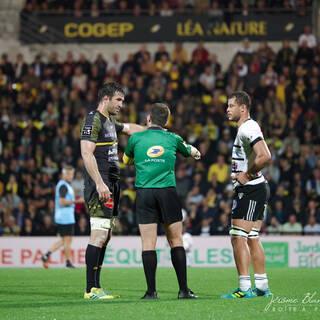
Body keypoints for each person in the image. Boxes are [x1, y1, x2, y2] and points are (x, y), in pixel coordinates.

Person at [123, 103, 201, 299]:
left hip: (144, 193)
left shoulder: (135, 138)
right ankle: (183, 290)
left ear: (148, 119)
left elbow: (126, 161)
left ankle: (151, 292)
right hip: (167, 192)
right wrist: (195, 151)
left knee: (148, 243)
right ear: (166, 121)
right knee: (176, 240)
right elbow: (189, 151)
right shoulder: (173, 138)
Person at [80, 82, 145, 300]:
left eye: (123, 101)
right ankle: (90, 289)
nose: (121, 105)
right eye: (118, 100)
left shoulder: (109, 122)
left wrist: (155, 131)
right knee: (98, 234)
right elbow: (87, 154)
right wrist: (99, 183)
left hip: (112, 184)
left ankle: (97, 287)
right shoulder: (93, 119)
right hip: (100, 184)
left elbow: (129, 128)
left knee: (106, 236)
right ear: (105, 99)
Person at [222, 91, 272, 299]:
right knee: (252, 237)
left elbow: (265, 155)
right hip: (257, 188)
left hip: (250, 189)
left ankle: (244, 288)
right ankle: (261, 286)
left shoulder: (247, 127)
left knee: (237, 237)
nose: (227, 109)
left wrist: (247, 174)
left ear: (243, 108)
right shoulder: (246, 127)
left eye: (231, 105)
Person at [41, 166, 84, 268]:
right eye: (68, 174)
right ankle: (68, 262)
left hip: (65, 216)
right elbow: (61, 202)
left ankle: (46, 255)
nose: (70, 176)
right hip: (65, 217)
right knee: (67, 240)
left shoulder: (65, 185)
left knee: (65, 240)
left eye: (71, 174)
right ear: (63, 175)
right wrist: (77, 201)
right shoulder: (63, 186)